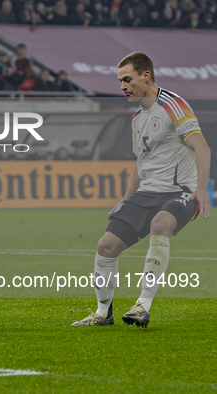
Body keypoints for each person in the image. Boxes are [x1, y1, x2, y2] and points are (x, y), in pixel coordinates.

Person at [72, 52, 211, 328]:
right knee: (105, 246)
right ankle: (103, 313)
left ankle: (142, 306)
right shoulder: (137, 118)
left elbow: (202, 147)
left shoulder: (174, 105)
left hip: (181, 191)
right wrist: (124, 200)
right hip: (147, 192)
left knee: (160, 225)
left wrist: (202, 189)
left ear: (145, 76)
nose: (122, 87)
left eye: (127, 79)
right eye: (120, 81)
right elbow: (141, 161)